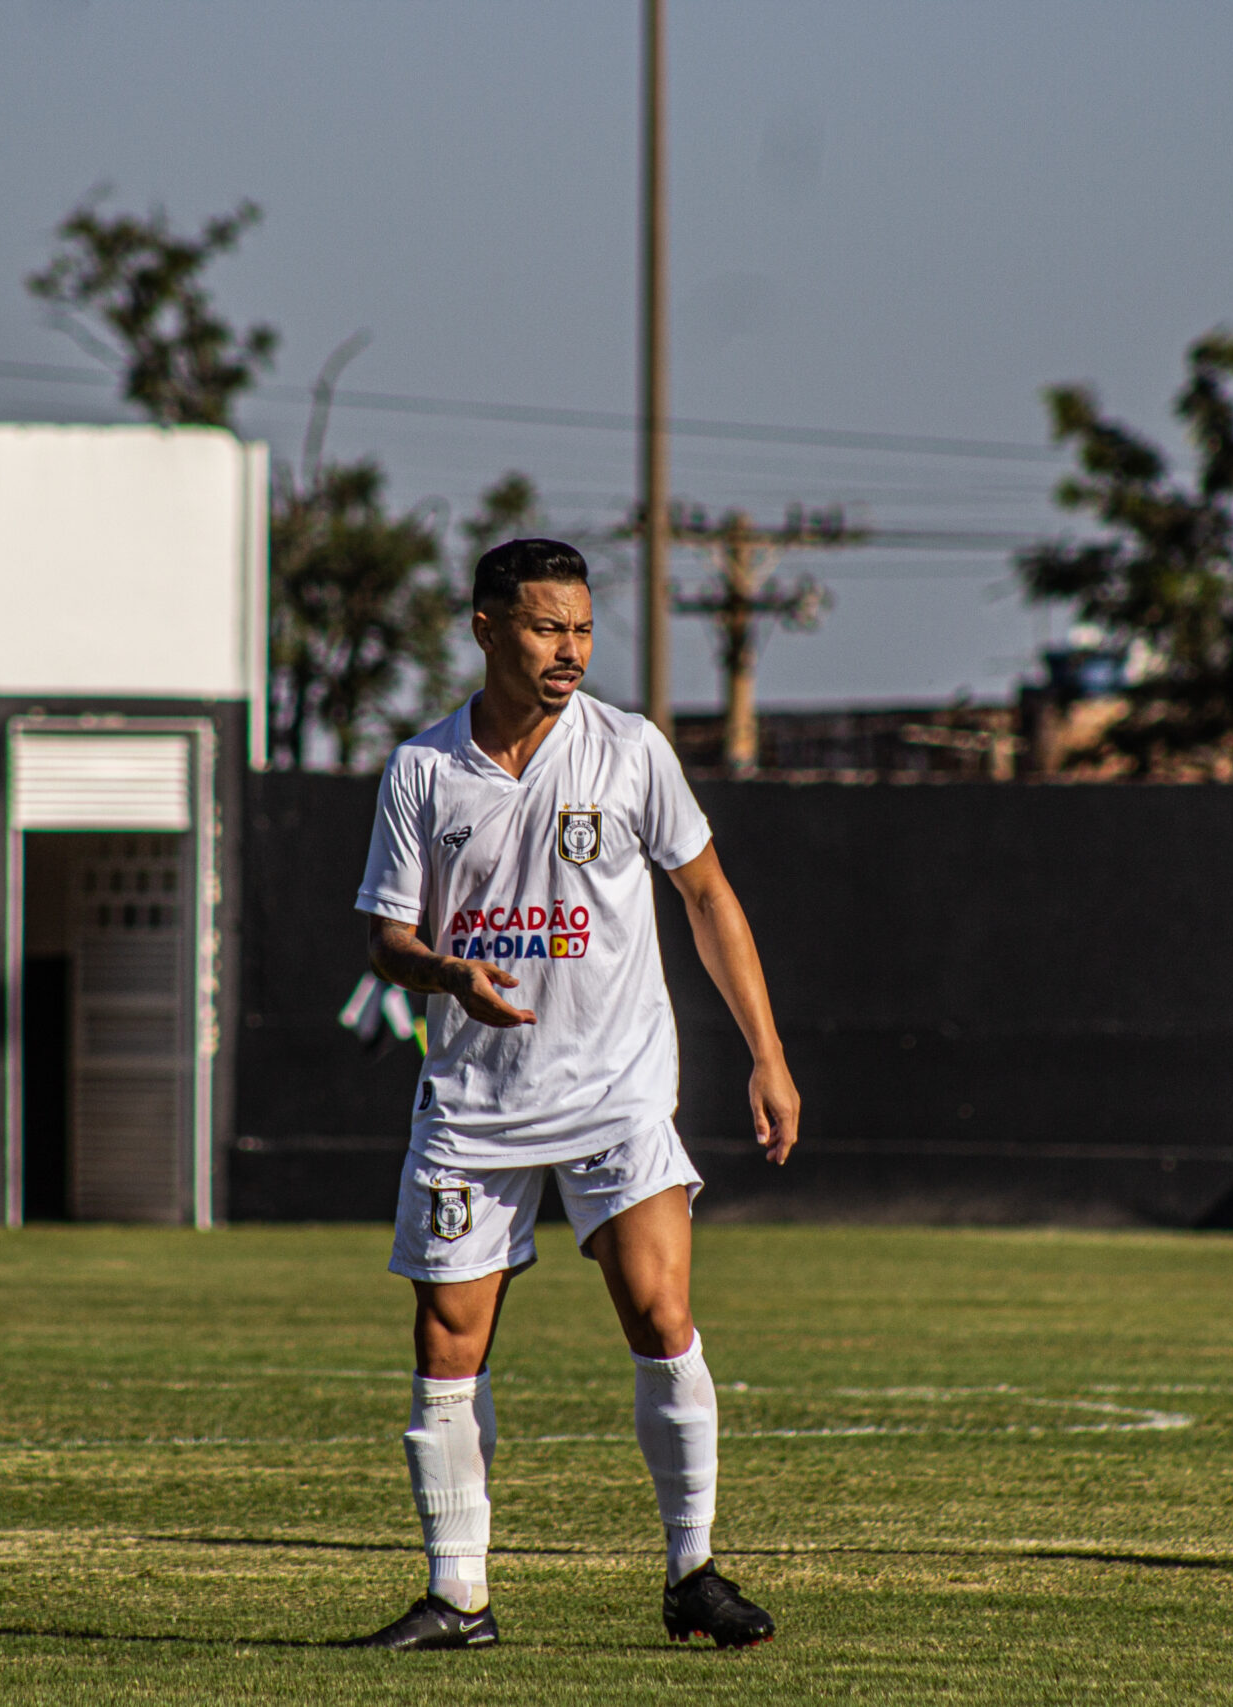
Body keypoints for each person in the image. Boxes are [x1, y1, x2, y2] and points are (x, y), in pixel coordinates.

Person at [346, 538, 797, 1651]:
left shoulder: (630, 751)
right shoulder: (422, 769)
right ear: (487, 626)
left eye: (583, 629)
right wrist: (451, 974)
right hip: (473, 1101)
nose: (571, 649)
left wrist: (767, 1053)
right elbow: (387, 941)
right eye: (548, 627)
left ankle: (692, 1572)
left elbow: (707, 899)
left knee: (661, 1313)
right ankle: (459, 1598)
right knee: (449, 1344)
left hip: (616, 1090)